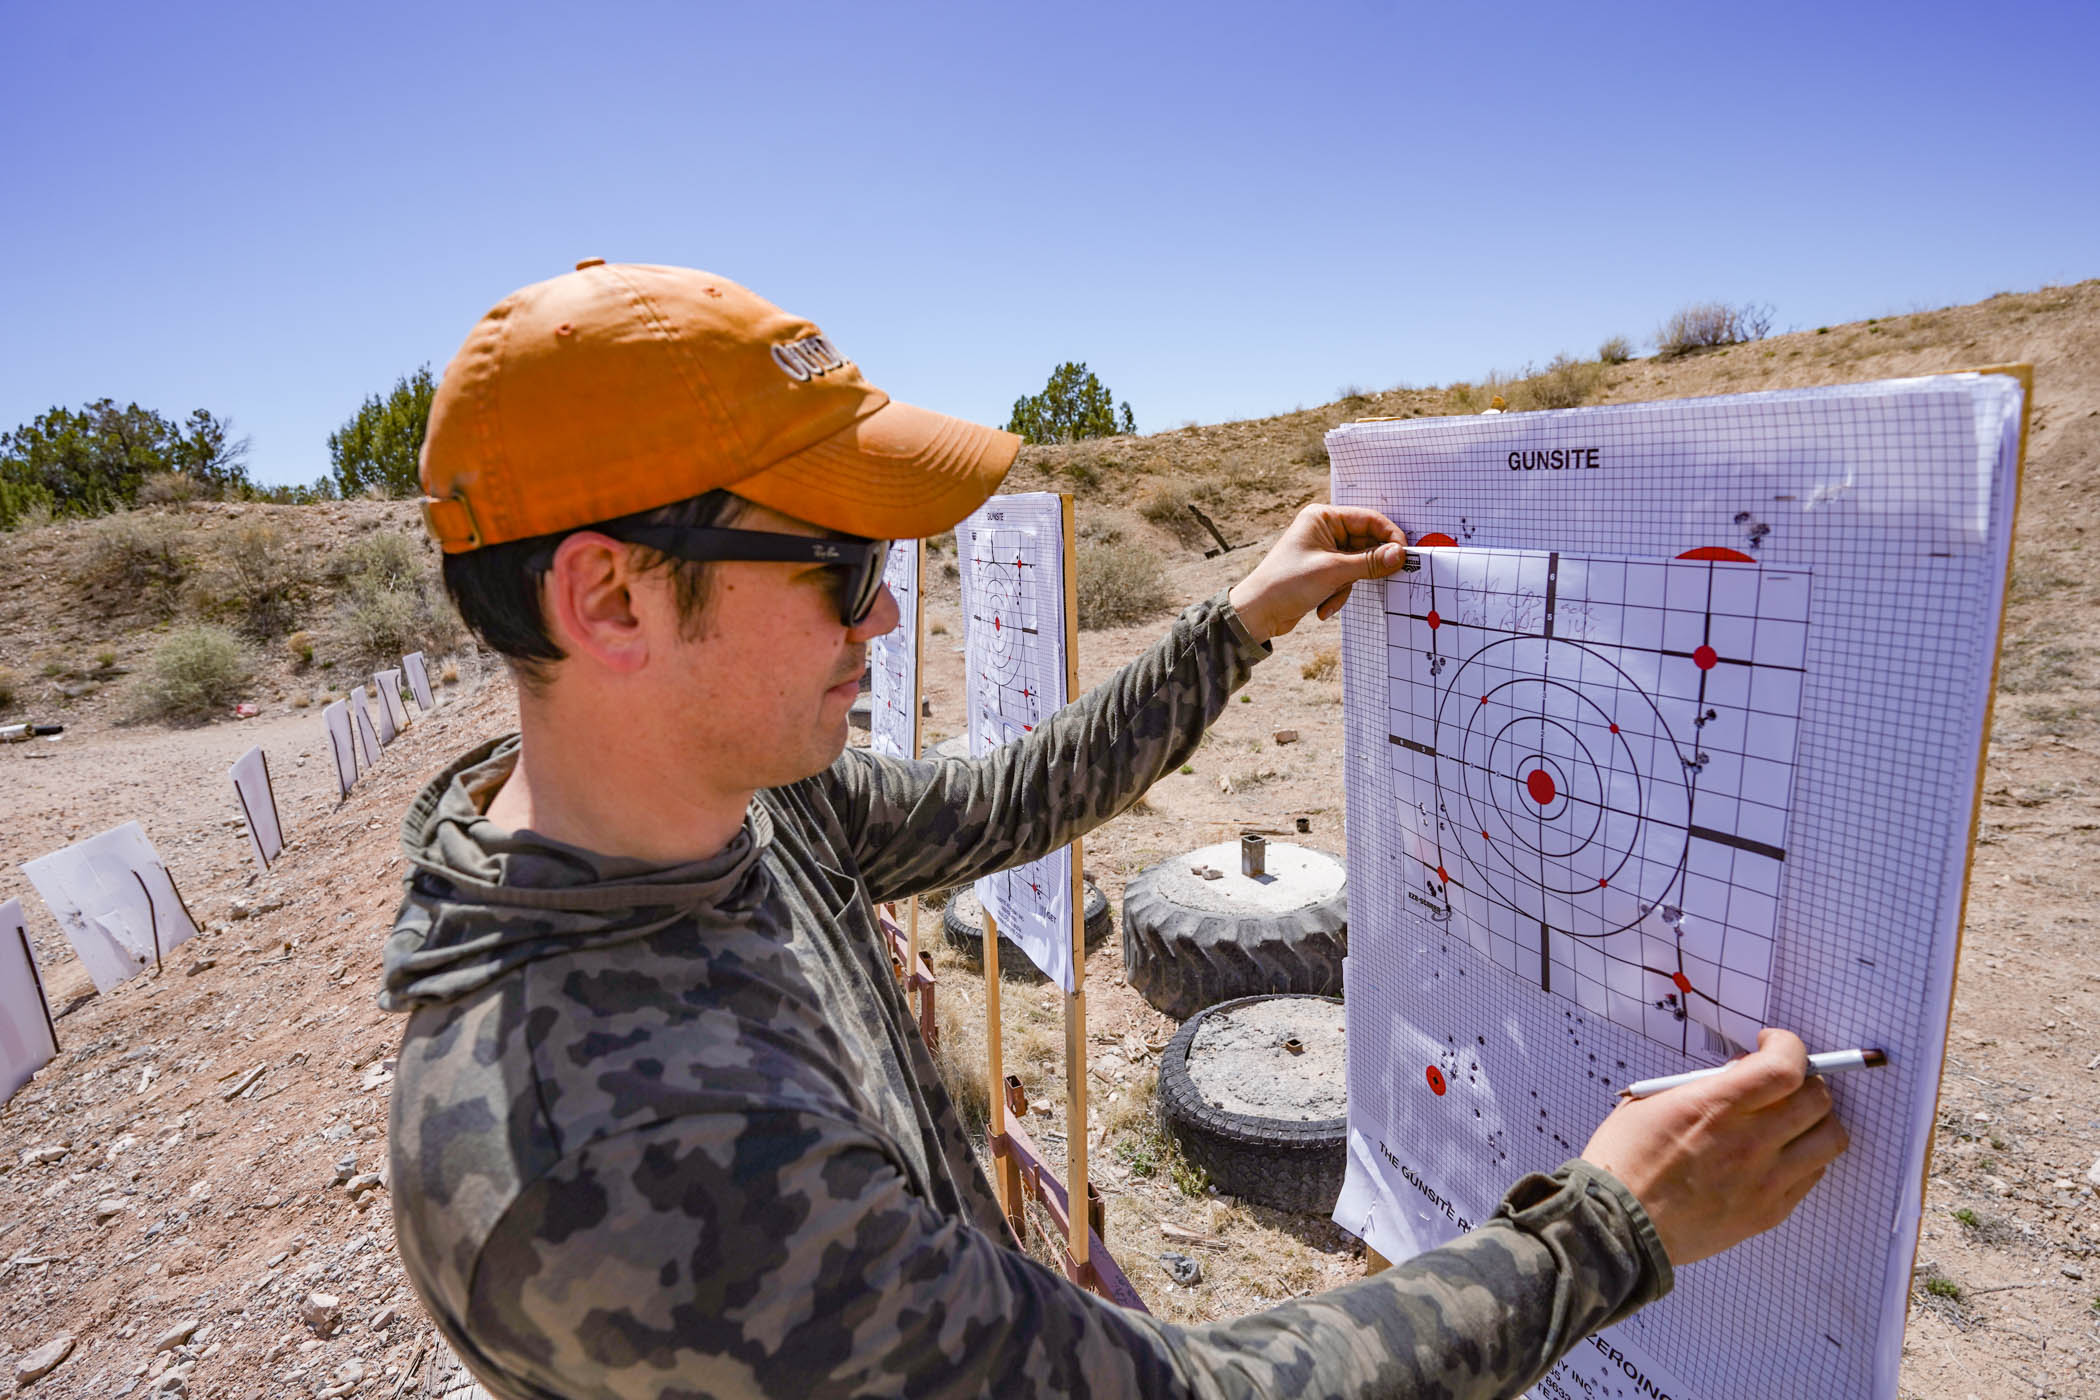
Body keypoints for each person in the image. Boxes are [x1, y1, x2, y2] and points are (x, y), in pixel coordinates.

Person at [382, 260, 1848, 1399]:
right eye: (836, 563)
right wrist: (1609, 1229)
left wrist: (1237, 624)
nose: (886, 610)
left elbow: (1017, 796)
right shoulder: (625, 1169)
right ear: (611, 598)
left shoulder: (739, 801)